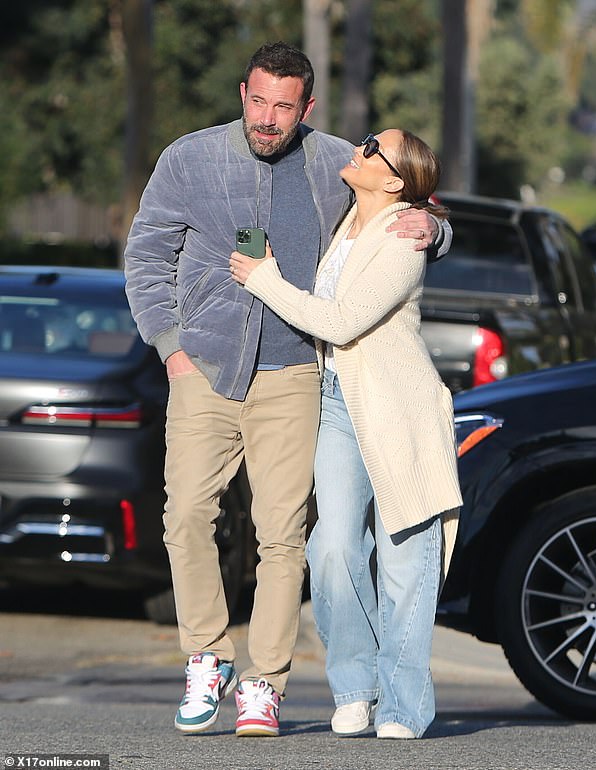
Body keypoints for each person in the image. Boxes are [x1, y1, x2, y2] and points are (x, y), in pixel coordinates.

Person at [124, 41, 452, 738]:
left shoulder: (335, 163)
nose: (267, 118)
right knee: (186, 516)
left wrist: (437, 227)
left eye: (283, 106)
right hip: (203, 370)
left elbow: (405, 208)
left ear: (307, 107)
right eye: (258, 100)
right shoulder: (189, 158)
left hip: (295, 375)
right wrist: (171, 348)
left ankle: (264, 682)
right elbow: (147, 254)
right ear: (242, 93)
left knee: (284, 536)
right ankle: (207, 656)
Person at [229, 128, 462, 740]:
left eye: (373, 146)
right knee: (331, 548)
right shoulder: (345, 211)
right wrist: (441, 223)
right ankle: (356, 685)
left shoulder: (403, 236)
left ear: (394, 180)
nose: (359, 147)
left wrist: (263, 278)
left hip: (397, 405)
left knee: (405, 556)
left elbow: (342, 320)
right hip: (336, 398)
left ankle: (403, 705)